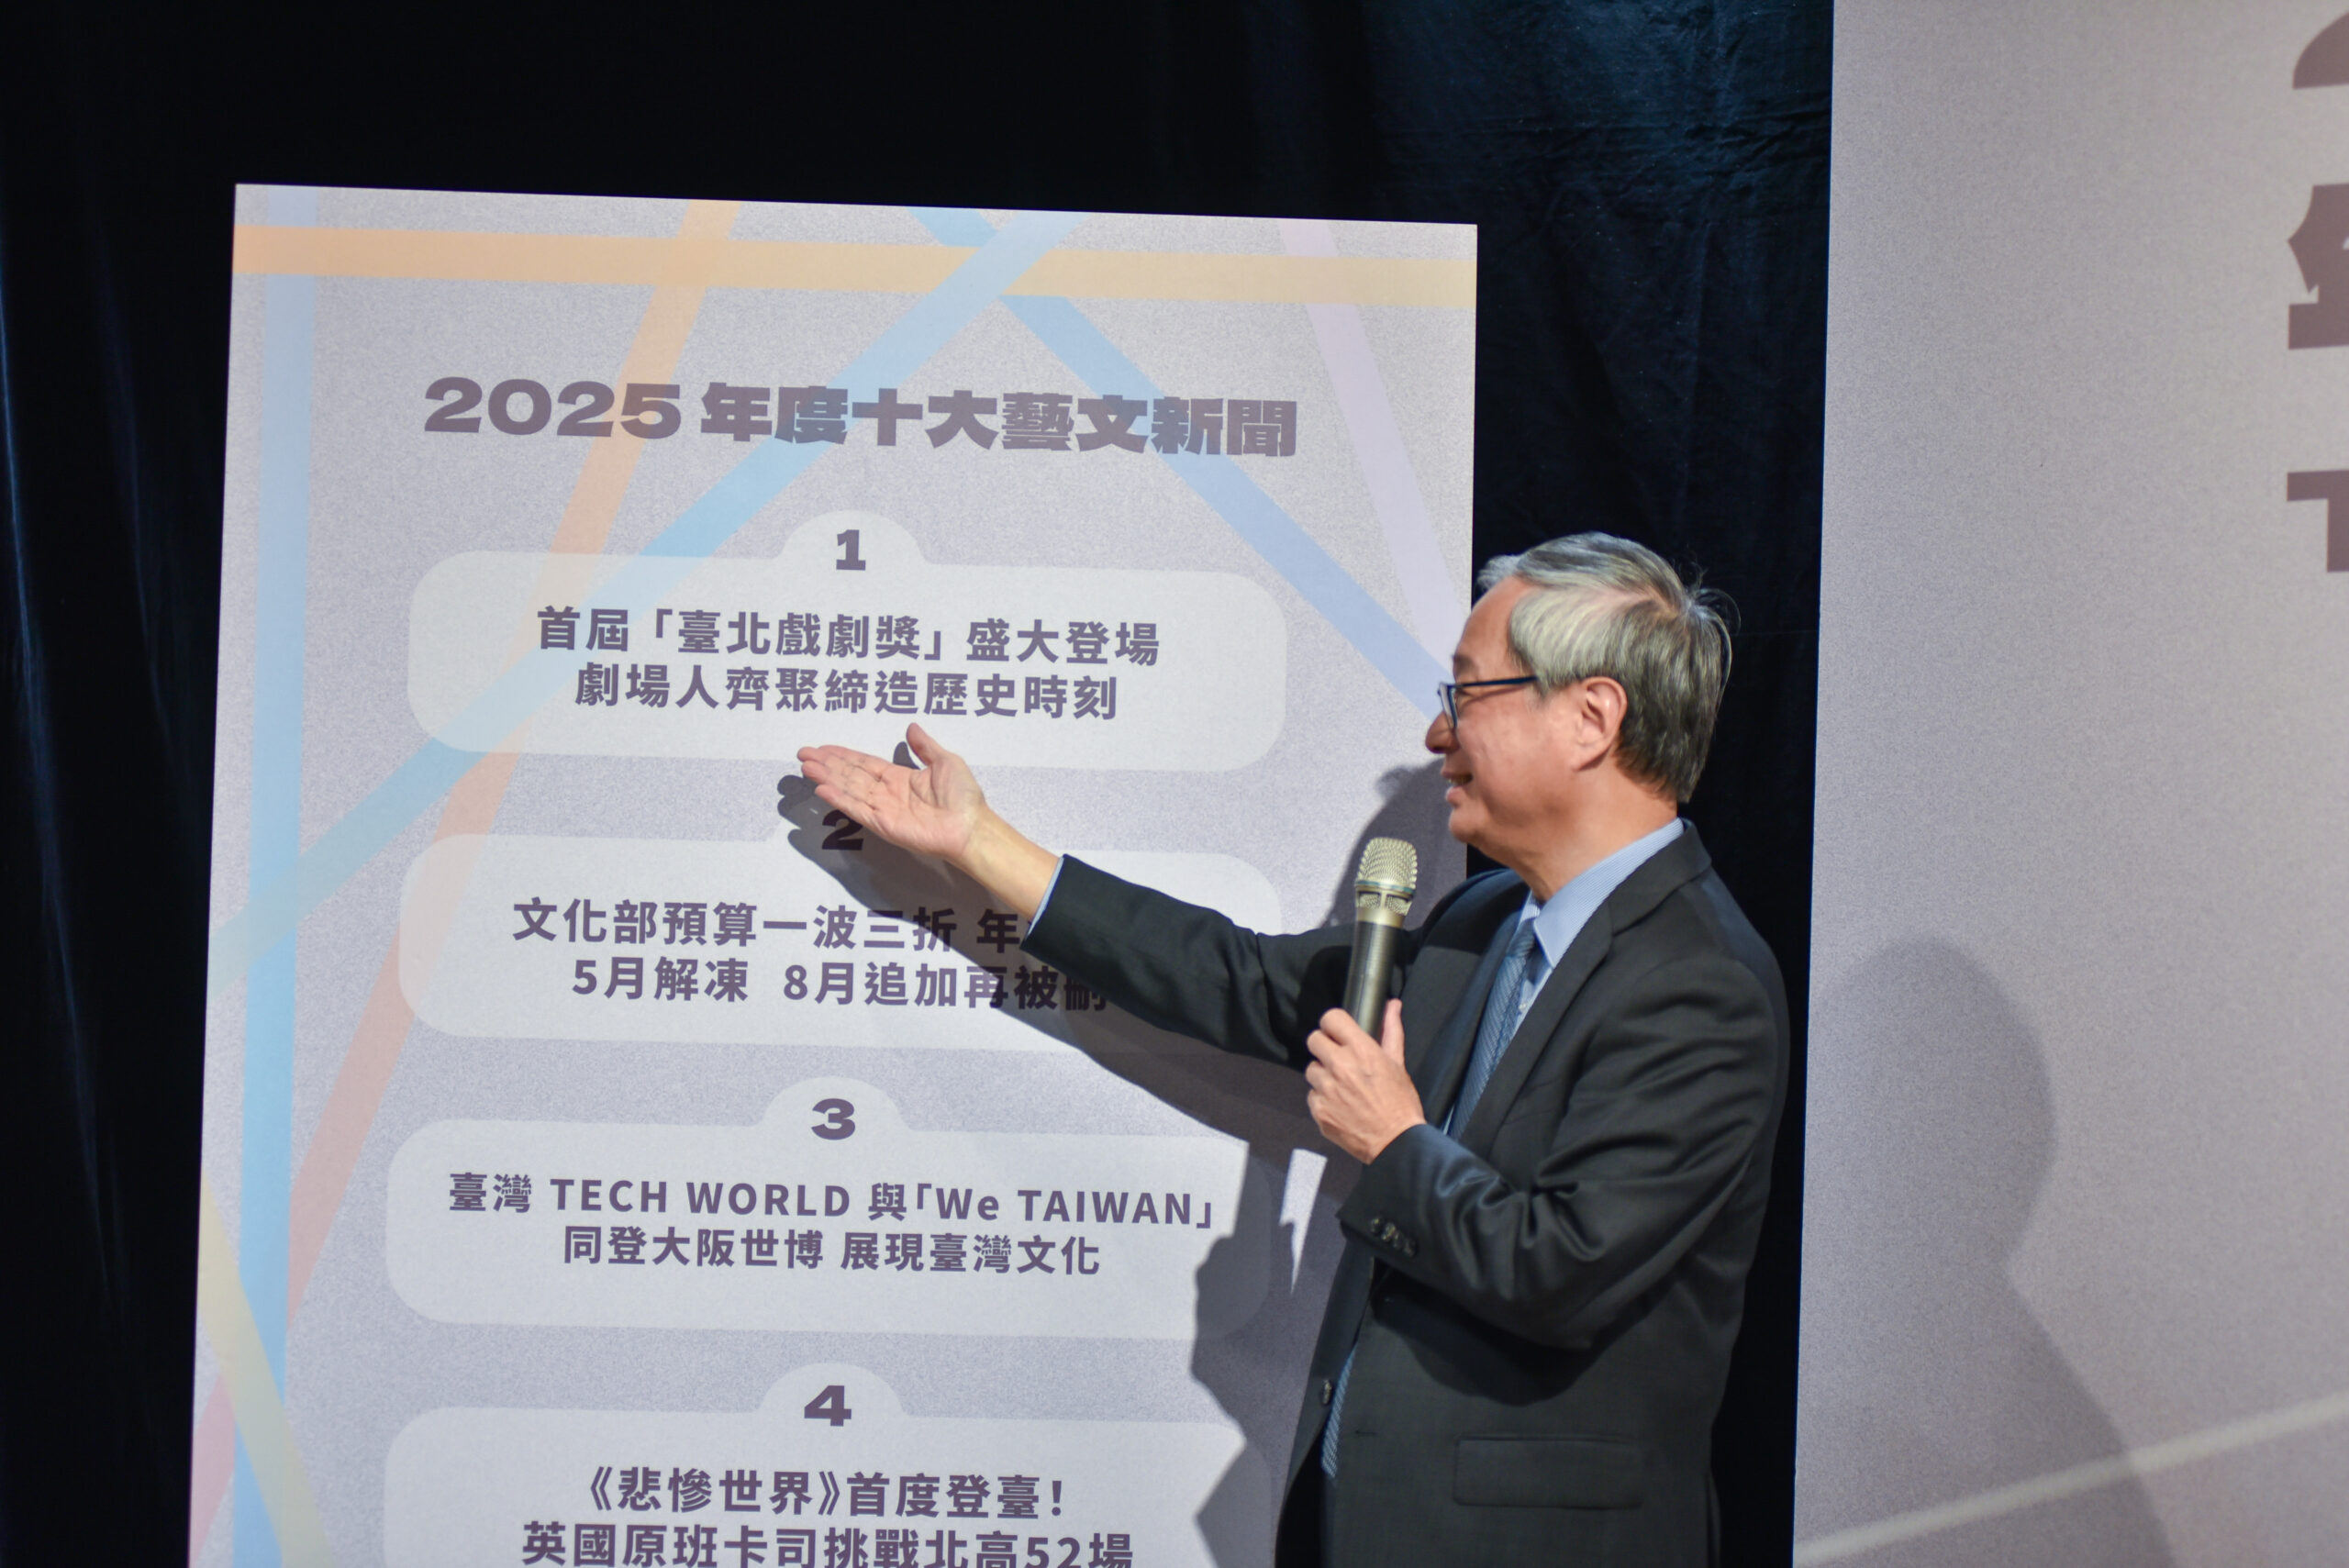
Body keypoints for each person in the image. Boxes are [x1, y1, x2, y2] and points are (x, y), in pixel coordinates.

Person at [798, 534, 1787, 1568]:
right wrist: (980, 843)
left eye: (1467, 692)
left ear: (1591, 717)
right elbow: (1236, 976)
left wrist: (1393, 1141)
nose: (1437, 731)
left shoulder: (1701, 983)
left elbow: (1563, 1270)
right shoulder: (1489, 920)